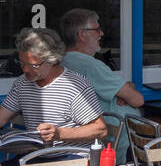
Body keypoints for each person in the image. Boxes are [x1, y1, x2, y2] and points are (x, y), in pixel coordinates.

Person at [0, 27, 105, 145]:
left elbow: (100, 129)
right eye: (22, 63)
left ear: (52, 60)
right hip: (34, 156)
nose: (25, 69)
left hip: (71, 160)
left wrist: (59, 134)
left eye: (33, 65)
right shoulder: (22, 83)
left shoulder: (75, 86)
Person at [59, 8, 145, 157]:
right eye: (97, 29)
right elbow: (137, 100)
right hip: (119, 142)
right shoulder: (90, 65)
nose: (101, 34)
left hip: (102, 137)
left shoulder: (61, 61)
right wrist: (126, 92)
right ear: (82, 34)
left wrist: (126, 88)